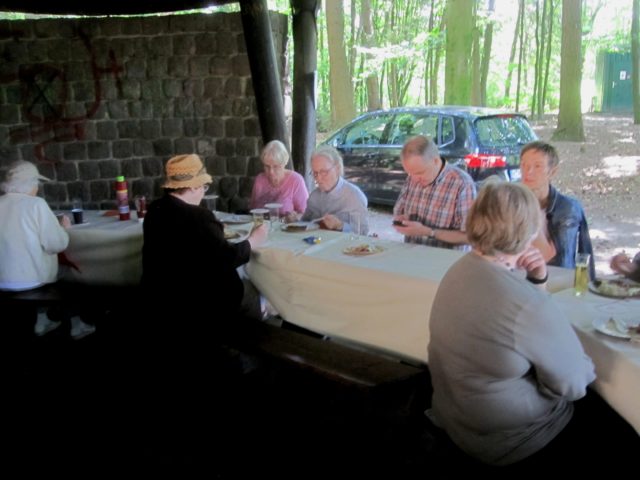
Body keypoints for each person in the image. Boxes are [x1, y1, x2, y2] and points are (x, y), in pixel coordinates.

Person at [428, 180, 616, 471]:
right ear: (529, 231)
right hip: (509, 441)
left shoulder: (461, 269)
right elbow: (575, 384)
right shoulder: (525, 304)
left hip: (456, 417)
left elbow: (509, 318)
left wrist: (537, 280)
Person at [0, 160, 95, 340]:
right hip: (31, 281)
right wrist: (63, 229)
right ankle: (78, 325)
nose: (37, 187)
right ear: (29, 184)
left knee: (40, 267)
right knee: (70, 274)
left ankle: (43, 320)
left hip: (2, 280)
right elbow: (56, 245)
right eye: (36, 183)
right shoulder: (36, 204)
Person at [520, 140, 595, 278]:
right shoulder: (511, 203)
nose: (528, 171)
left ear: (552, 172)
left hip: (559, 279)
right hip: (518, 279)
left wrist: (585, 282)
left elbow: (573, 255)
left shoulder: (568, 209)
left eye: (537, 166)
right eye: (524, 165)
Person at [392, 135, 475, 250]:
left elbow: (470, 237)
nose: (414, 179)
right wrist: (402, 219)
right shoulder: (412, 178)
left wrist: (429, 232)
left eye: (420, 173)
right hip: (413, 254)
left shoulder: (462, 183)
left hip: (447, 259)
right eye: (409, 173)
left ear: (436, 161)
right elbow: (399, 212)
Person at [301, 145, 369, 235]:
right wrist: (294, 221)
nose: (318, 178)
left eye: (324, 172)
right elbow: (304, 224)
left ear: (337, 169)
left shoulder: (354, 196)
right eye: (315, 173)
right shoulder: (314, 197)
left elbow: (363, 233)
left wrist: (340, 226)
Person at [249, 139, 308, 221]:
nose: (271, 172)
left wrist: (295, 217)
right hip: (261, 226)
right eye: (267, 166)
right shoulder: (260, 180)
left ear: (284, 163)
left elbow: (307, 213)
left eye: (275, 166)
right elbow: (253, 210)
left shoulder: (296, 180)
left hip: (285, 227)